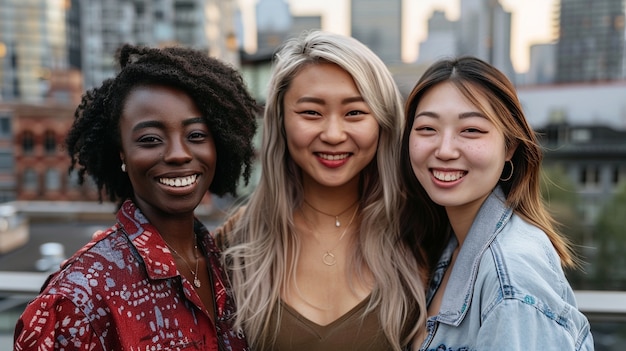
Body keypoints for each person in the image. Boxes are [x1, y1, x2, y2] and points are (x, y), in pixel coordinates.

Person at [13, 44, 259, 350]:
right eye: (150, 139)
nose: (179, 154)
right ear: (122, 155)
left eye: (196, 135)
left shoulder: (233, 266)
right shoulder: (78, 298)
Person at [215, 30, 427, 351]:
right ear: (281, 121)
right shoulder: (236, 241)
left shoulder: (420, 234)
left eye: (354, 112)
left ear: (383, 121)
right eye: (311, 112)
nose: (332, 134)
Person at [399, 56, 594, 350]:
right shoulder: (447, 242)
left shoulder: (513, 275)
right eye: (428, 128)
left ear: (510, 146)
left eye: (471, 130)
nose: (445, 150)